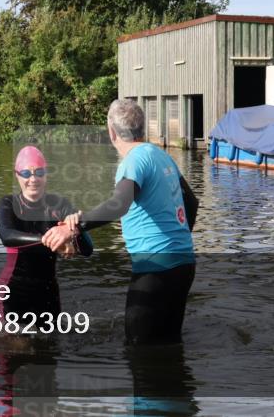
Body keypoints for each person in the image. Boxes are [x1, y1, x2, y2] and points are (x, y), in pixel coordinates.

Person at [42, 99, 199, 345]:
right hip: (183, 264)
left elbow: (119, 204)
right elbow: (192, 202)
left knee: (138, 348)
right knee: (169, 344)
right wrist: (177, 241)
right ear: (142, 128)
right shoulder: (161, 155)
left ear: (112, 131)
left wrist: (73, 227)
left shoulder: (133, 161)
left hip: (155, 268)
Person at [0, 146, 93, 319]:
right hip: (13, 291)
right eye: (26, 173)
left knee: (53, 344)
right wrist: (55, 240)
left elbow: (87, 250)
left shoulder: (60, 205)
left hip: (48, 293)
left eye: (39, 172)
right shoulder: (9, 204)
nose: (33, 179)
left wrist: (77, 230)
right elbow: (7, 236)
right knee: (15, 345)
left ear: (46, 174)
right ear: (17, 175)